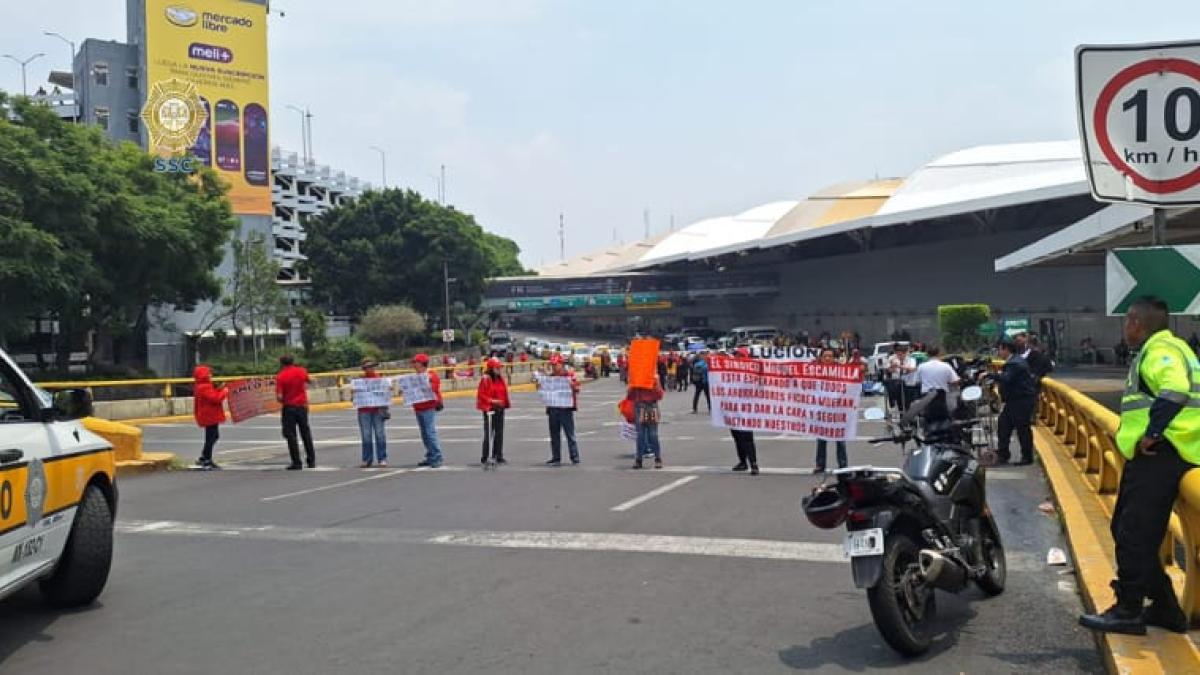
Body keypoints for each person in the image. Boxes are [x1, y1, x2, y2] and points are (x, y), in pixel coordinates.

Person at [1080, 296, 1200, 636]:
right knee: (1130, 530)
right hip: (1176, 450)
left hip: (1161, 453)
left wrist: (1152, 433)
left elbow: (1174, 389)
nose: (1126, 328)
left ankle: (1129, 610)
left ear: (1135, 322)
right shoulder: (1177, 348)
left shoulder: (1160, 351)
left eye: (1127, 322)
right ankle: (1164, 609)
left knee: (1133, 532)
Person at [993, 340, 1037, 466]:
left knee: (1022, 428)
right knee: (1004, 425)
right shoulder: (1016, 361)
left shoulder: (1014, 363)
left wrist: (992, 376)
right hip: (1016, 401)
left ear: (1006, 349)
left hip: (1020, 401)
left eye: (999, 349)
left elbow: (1007, 378)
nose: (998, 352)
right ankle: (1003, 454)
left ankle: (1026, 457)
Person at [276, 354, 316, 470]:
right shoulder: (301, 371)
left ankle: (296, 462)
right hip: (302, 406)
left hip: (289, 407)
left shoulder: (281, 376)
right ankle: (311, 460)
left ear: (282, 363)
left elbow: (279, 396)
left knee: (291, 435)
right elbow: (310, 381)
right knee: (306, 433)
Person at [543, 355, 581, 465]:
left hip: (565, 409)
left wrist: (571, 385)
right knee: (554, 434)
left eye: (556, 365)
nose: (554, 367)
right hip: (553, 409)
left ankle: (574, 456)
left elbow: (577, 388)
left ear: (561, 364)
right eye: (552, 365)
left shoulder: (569, 375)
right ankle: (556, 457)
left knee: (570, 434)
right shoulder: (551, 377)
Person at [814, 348, 848, 473]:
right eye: (825, 356)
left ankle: (843, 464)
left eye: (830, 356)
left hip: (838, 408)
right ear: (821, 358)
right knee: (821, 438)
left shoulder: (841, 371)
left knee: (840, 438)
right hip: (822, 408)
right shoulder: (816, 371)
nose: (827, 358)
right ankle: (820, 464)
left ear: (834, 358)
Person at [411, 353, 445, 468]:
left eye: (415, 362)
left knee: (430, 432)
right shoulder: (415, 377)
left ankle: (437, 456)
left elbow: (434, 389)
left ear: (421, 364)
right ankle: (431, 455)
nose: (414, 365)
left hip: (428, 407)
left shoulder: (431, 376)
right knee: (425, 433)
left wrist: (426, 382)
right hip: (418, 407)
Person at [192, 365, 228, 470]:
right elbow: (215, 399)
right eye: (209, 373)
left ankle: (205, 456)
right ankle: (206, 458)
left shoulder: (202, 386)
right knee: (211, 437)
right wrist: (224, 392)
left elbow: (212, 395)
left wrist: (219, 389)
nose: (210, 375)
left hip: (208, 415)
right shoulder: (204, 387)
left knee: (213, 436)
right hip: (210, 415)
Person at [476, 357, 510, 465]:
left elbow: (504, 392)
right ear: (491, 368)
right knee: (489, 433)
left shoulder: (500, 378)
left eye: (500, 368)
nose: (499, 370)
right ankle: (485, 456)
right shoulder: (486, 379)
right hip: (490, 409)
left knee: (499, 433)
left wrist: (504, 403)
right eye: (497, 368)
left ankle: (498, 455)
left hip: (500, 408)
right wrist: (493, 401)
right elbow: (481, 395)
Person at [356, 358, 389, 468]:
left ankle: (382, 458)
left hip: (377, 410)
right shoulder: (359, 381)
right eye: (367, 367)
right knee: (366, 436)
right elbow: (354, 397)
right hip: (364, 410)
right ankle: (367, 459)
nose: (370, 369)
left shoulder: (381, 379)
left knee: (380, 435)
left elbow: (386, 393)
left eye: (372, 366)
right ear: (364, 369)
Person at [628, 375, 665, 469]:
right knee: (642, 435)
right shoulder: (637, 377)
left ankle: (656, 458)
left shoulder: (654, 377)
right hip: (643, 406)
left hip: (650, 406)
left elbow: (660, 395)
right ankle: (640, 459)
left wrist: (654, 384)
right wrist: (632, 386)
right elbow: (630, 396)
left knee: (652, 434)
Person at [916, 346, 961, 419]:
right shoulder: (946, 366)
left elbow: (917, 381)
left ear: (927, 354)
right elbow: (955, 381)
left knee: (927, 415)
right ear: (939, 354)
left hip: (926, 395)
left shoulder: (921, 366)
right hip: (942, 396)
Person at [885, 343, 918, 412]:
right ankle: (894, 402)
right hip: (898, 385)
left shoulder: (911, 360)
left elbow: (912, 369)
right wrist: (892, 367)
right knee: (900, 403)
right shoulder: (895, 360)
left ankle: (908, 418)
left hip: (909, 384)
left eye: (900, 355)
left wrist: (900, 366)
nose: (899, 357)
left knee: (907, 404)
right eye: (897, 355)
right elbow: (889, 370)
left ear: (905, 353)